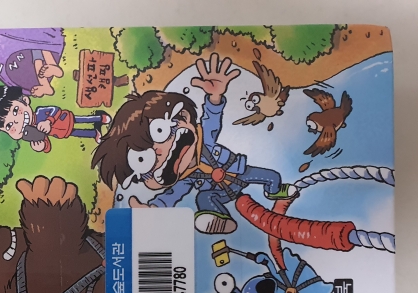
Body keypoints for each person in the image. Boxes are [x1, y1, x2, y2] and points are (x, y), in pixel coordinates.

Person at [92, 53, 298, 234]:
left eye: (161, 132)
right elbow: (171, 195)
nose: (162, 151)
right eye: (146, 159)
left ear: (183, 118)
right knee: (204, 200)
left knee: (271, 176)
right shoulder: (184, 179)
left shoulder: (203, 140)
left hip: (240, 172)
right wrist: (153, 208)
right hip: (216, 192)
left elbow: (211, 121)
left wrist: (214, 97)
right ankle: (220, 219)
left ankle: (274, 190)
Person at [0, 85, 110, 152]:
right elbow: (46, 141)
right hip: (63, 133)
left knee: (83, 120)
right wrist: (42, 146)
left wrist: (48, 121)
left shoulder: (40, 113)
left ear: (25, 100)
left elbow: (55, 110)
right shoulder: (31, 133)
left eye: (16, 110)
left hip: (66, 118)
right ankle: (94, 133)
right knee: (77, 132)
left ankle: (99, 118)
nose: (16, 121)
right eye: (9, 126)